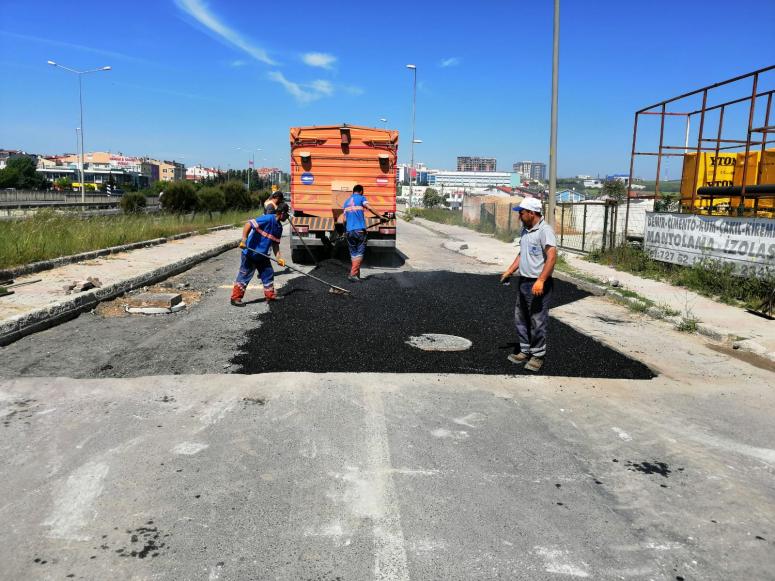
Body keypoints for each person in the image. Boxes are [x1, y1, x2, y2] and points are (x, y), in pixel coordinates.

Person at [500, 197, 557, 372]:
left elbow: (552, 256)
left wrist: (541, 280)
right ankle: (525, 350)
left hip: (537, 284)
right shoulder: (526, 230)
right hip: (524, 281)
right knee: (521, 317)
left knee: (537, 320)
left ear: (532, 213)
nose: (519, 216)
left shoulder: (544, 231)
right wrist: (510, 270)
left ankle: (538, 356)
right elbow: (521, 253)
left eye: (522, 213)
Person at [231, 203, 289, 306]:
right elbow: (248, 224)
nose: (288, 216)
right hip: (250, 253)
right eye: (287, 214)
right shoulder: (267, 219)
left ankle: (270, 296)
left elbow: (275, 244)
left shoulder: (279, 228)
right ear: (282, 213)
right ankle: (235, 298)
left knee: (268, 274)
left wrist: (279, 258)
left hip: (262, 255)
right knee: (245, 275)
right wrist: (244, 241)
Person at [341, 184, 387, 282]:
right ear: (361, 191)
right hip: (360, 231)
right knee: (360, 253)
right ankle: (353, 274)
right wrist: (381, 216)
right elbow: (369, 208)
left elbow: (344, 220)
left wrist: (345, 231)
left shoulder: (346, 202)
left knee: (353, 254)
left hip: (349, 232)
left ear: (353, 191)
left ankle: (356, 275)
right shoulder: (361, 198)